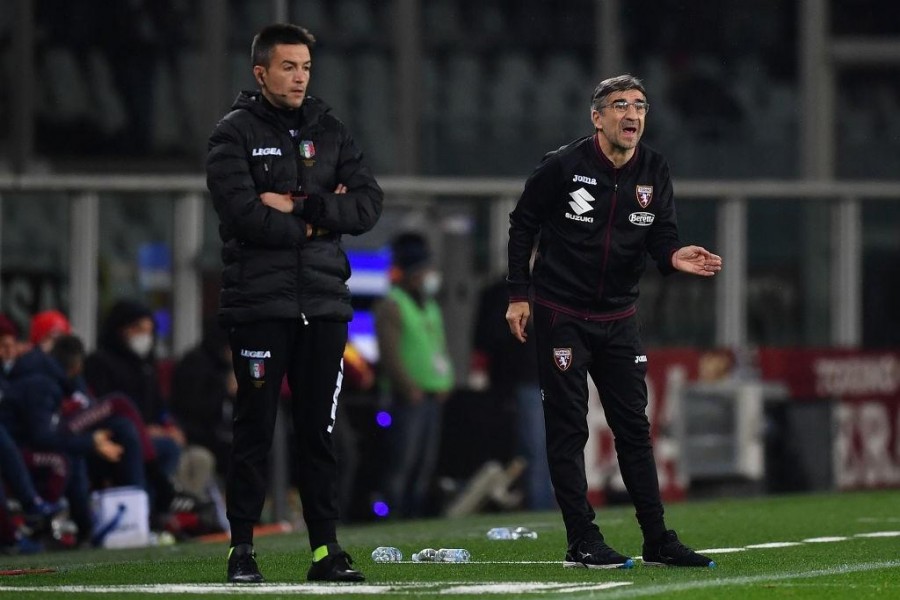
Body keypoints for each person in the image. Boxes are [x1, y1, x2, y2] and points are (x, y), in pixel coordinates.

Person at [506, 74, 723, 569]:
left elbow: (660, 235)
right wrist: (520, 294)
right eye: (620, 105)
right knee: (569, 430)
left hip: (619, 317)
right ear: (597, 117)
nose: (632, 114)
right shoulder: (563, 167)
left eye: (641, 106)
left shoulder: (654, 169)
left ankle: (657, 539)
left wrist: (673, 257)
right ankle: (582, 539)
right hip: (561, 314)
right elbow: (523, 223)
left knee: (634, 429)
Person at [205, 23, 383, 583]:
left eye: (305, 66)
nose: (300, 76)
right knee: (255, 427)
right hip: (260, 305)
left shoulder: (331, 131)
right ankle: (241, 550)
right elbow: (242, 216)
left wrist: (301, 209)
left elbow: (367, 205)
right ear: (261, 72)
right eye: (288, 66)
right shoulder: (231, 135)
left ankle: (325, 552)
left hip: (325, 306)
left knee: (318, 432)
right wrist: (321, 221)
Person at [374, 233, 454, 519]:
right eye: (426, 270)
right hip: (407, 398)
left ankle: (414, 516)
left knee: (424, 463)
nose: (431, 275)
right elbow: (390, 354)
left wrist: (445, 382)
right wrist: (408, 387)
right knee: (401, 462)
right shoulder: (392, 304)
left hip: (432, 394)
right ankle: (392, 515)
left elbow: (438, 347)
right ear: (413, 273)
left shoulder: (429, 305)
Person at [471, 273, 554, 511]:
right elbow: (487, 338)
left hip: (540, 378)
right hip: (523, 380)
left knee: (537, 447)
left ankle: (535, 503)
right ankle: (540, 507)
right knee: (535, 449)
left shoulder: (543, 287)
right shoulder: (501, 293)